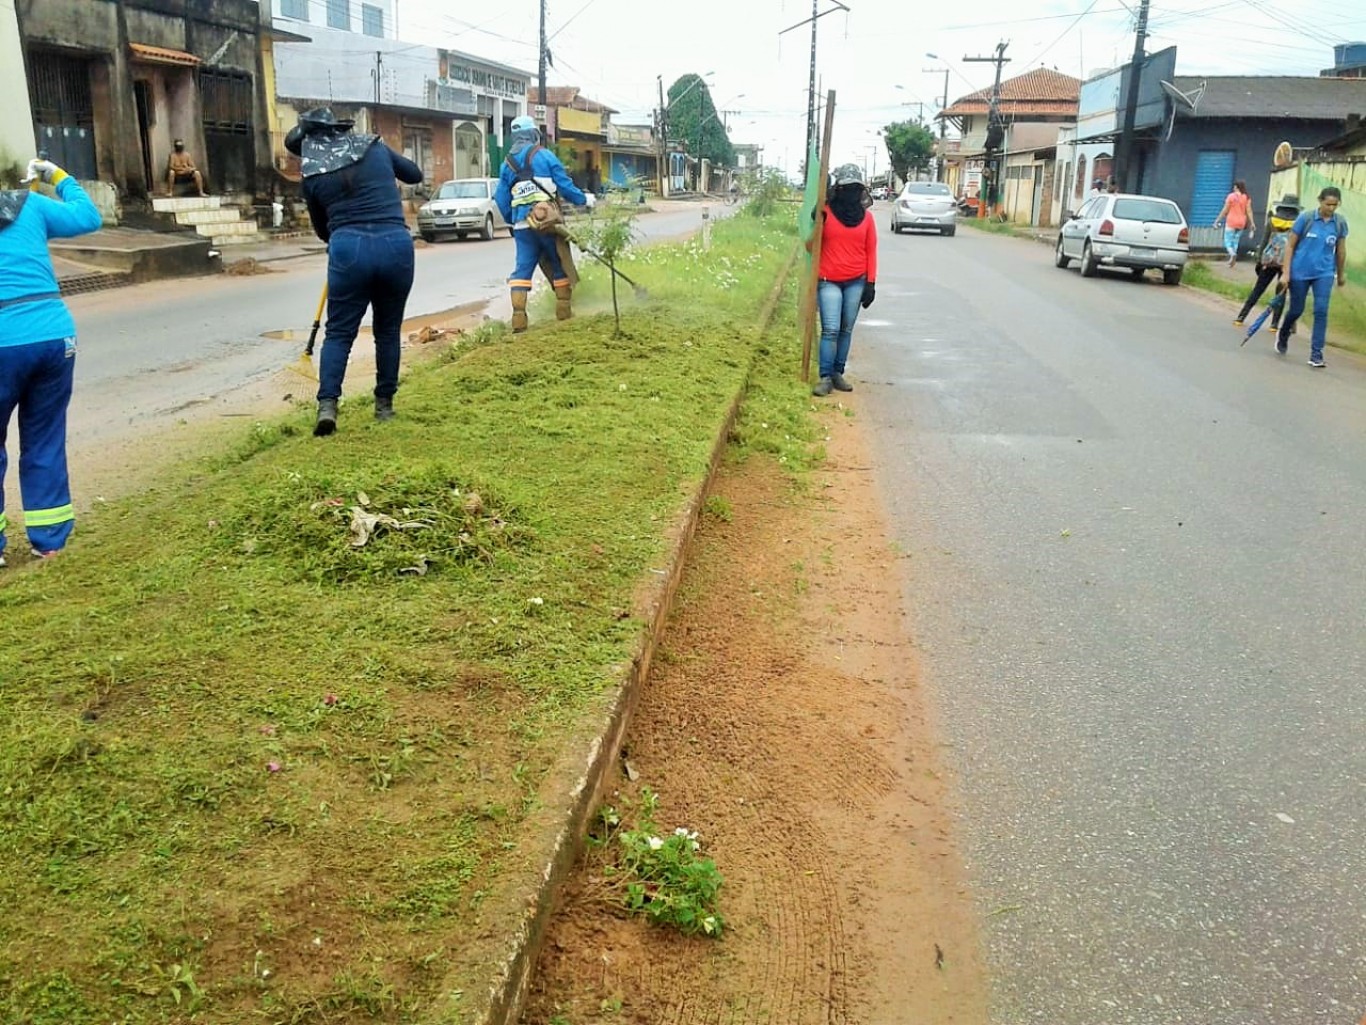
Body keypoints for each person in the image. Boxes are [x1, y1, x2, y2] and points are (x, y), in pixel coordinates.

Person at [285, 108, 424, 436]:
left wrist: (342, 236)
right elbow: (415, 174)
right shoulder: (373, 146)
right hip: (395, 245)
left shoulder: (313, 175)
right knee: (387, 331)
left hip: (348, 249)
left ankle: (328, 406)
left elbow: (323, 230)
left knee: (338, 333)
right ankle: (384, 406)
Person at [0, 156, 102, 567]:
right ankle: (50, 541)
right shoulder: (30, 205)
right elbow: (87, 216)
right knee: (43, 438)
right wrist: (58, 176)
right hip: (53, 336)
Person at [494, 115, 589, 332]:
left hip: (522, 226)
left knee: (522, 269)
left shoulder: (506, 165)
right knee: (558, 263)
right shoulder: (545, 156)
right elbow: (564, 185)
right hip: (548, 224)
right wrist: (583, 199)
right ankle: (564, 312)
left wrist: (513, 220)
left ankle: (519, 319)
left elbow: (500, 199)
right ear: (534, 134)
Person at [811, 163, 877, 398]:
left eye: (855, 188)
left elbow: (871, 251)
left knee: (846, 329)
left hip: (856, 282)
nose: (851, 192)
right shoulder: (824, 213)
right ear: (838, 189)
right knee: (830, 329)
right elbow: (811, 246)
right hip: (828, 280)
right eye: (847, 187)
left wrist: (871, 283)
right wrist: (816, 221)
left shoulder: (867, 219)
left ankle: (838, 372)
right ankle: (825, 376)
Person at [1276, 186, 1349, 369]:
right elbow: (1290, 246)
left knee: (1321, 310)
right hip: (1300, 271)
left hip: (1324, 273)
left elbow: (1341, 251)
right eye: (1328, 204)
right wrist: (1286, 273)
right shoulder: (1305, 219)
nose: (1331, 208)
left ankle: (1316, 354)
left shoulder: (1339, 223)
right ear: (1320, 201)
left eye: (1335, 204)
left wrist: (1340, 275)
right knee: (1296, 310)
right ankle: (1284, 332)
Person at [1234, 194, 1299, 329]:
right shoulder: (1298, 223)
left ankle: (1241, 316)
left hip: (1269, 260)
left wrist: (1259, 260)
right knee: (1280, 293)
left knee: (1258, 289)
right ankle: (1274, 324)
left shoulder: (1272, 221)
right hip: (1286, 263)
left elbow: (1264, 241)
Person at [1215, 180, 1255, 268]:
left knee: (1228, 241)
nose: (1233, 188)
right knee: (1235, 241)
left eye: (1234, 186)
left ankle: (1232, 254)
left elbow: (1225, 210)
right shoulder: (1246, 197)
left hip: (1231, 222)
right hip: (1241, 223)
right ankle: (1232, 260)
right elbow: (1249, 211)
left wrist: (1217, 220)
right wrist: (1252, 223)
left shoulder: (1231, 197)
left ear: (1236, 187)